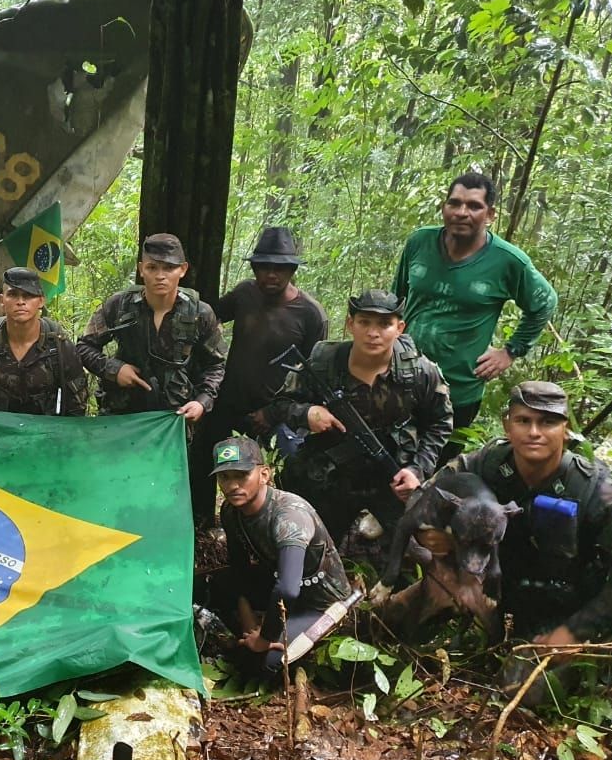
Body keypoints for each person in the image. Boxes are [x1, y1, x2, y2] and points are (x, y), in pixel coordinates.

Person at [431, 382, 612, 702]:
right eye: (524, 421)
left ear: (566, 429)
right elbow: (429, 498)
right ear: (508, 425)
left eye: (547, 422)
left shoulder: (595, 491)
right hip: (493, 585)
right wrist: (450, 550)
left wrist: (576, 630)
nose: (534, 432)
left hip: (560, 610)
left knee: (519, 692)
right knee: (405, 614)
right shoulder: (488, 464)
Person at [266, 289, 453, 549]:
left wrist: (417, 469)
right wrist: (307, 413)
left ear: (400, 328)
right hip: (332, 477)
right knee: (311, 547)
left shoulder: (420, 371)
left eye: (384, 324)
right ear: (350, 324)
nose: (373, 333)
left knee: (416, 551)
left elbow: (440, 422)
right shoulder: (324, 364)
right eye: (364, 322)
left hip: (393, 476)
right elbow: (279, 404)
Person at [393, 172, 557, 451]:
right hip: (400, 378)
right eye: (454, 203)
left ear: (490, 214)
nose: (461, 212)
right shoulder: (420, 242)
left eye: (473, 206)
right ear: (444, 208)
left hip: (457, 390)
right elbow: (395, 299)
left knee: (438, 473)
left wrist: (510, 351)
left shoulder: (507, 260)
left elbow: (545, 303)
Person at [192, 227, 328, 525]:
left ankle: (288, 527)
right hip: (229, 401)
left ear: (292, 270)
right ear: (254, 268)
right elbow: (206, 319)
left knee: (295, 467)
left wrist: (274, 411)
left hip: (276, 411)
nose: (271, 275)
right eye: (264, 267)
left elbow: (313, 376)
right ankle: (202, 521)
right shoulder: (244, 294)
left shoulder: (311, 314)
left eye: (280, 268)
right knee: (202, 455)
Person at [207, 436, 353, 678]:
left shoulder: (289, 516)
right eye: (224, 477)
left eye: (241, 476)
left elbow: (288, 589)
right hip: (278, 583)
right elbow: (238, 567)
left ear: (264, 474)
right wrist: (246, 614)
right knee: (214, 584)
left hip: (319, 602)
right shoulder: (232, 512)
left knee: (265, 662)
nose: (232, 486)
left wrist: (264, 638)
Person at [76, 232, 226, 420]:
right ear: (141, 269)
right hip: (122, 414)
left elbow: (216, 365)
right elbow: (83, 347)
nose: (160, 276)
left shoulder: (200, 313)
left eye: (169, 268)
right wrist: (114, 369)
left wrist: (202, 402)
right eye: (152, 267)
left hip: (174, 416)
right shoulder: (119, 305)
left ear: (183, 269)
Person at [0, 267, 87, 416]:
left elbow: (76, 408)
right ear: (2, 300)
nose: (21, 302)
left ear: (41, 301)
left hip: (44, 432)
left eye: (28, 296)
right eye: (13, 295)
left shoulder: (60, 347)